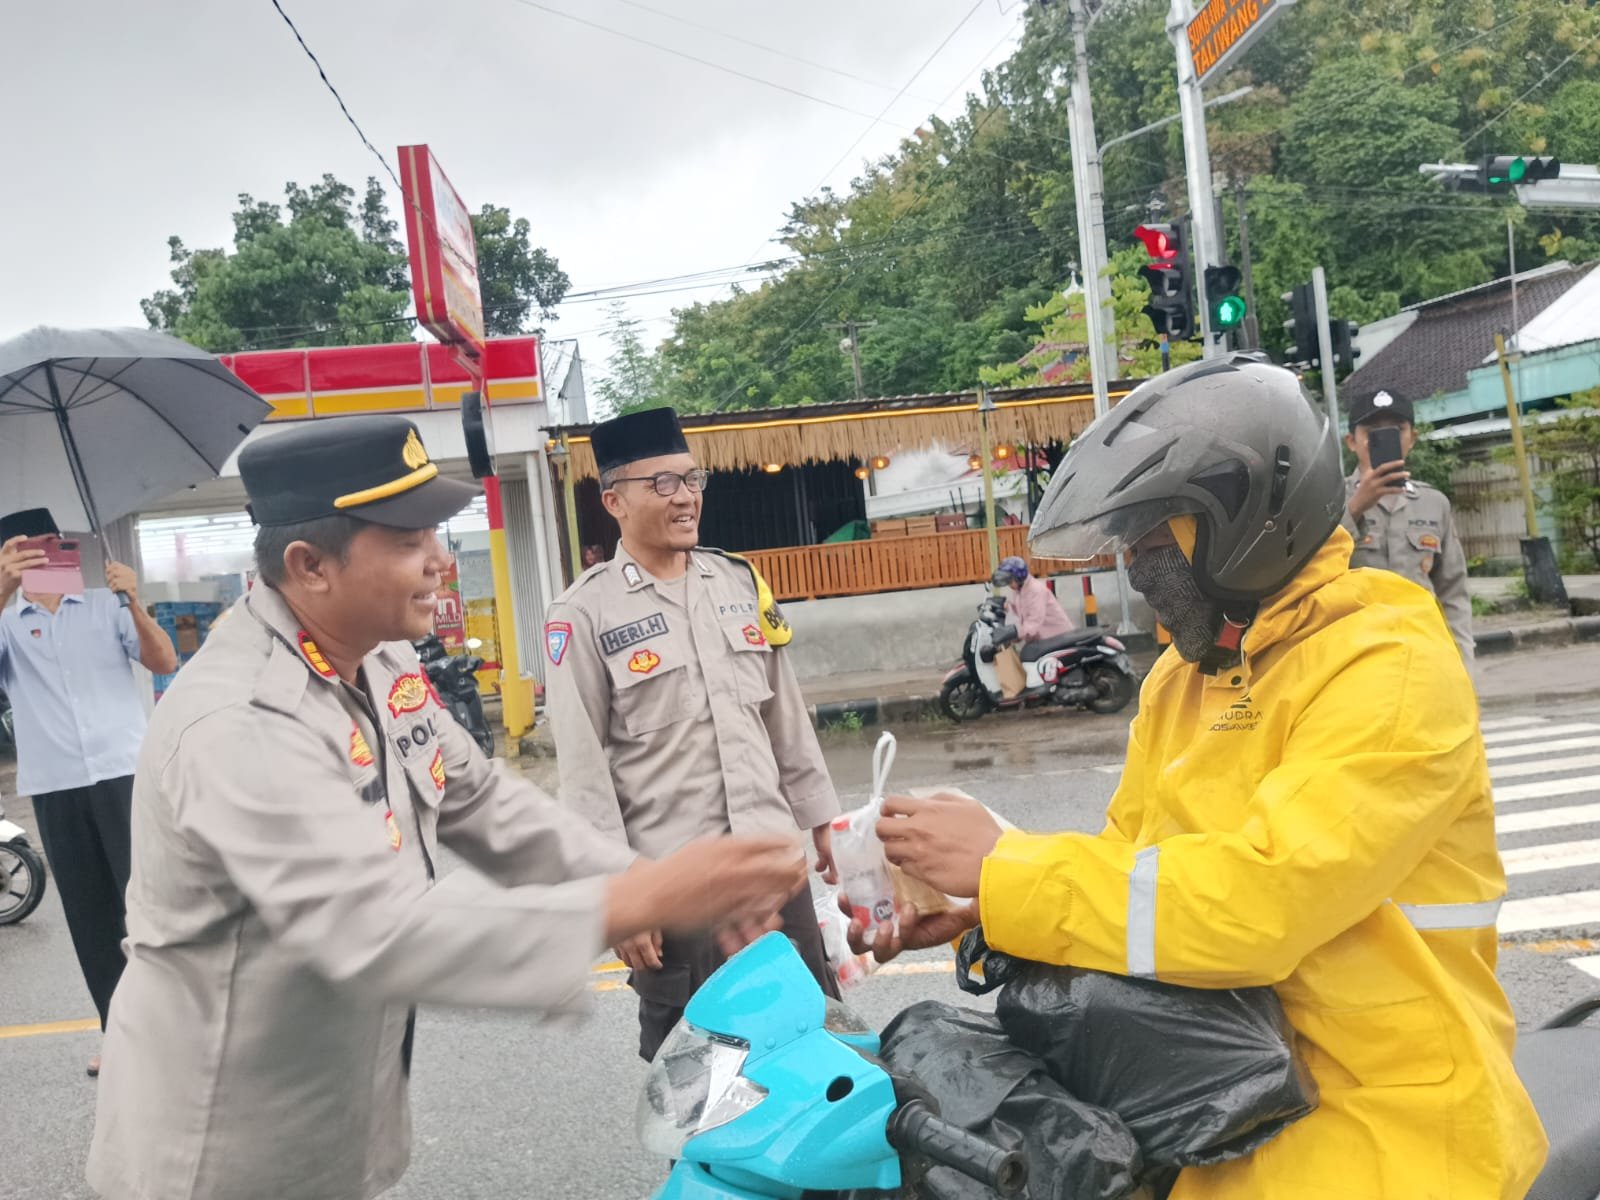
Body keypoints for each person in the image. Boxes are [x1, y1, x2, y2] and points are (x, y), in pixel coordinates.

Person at [849, 357, 1546, 1198]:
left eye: (1150, 539)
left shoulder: (1386, 665)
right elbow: (1136, 875)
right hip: (1210, 1101)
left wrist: (1006, 866)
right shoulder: (1188, 678)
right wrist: (982, 908)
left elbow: (1260, 903)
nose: (1137, 572)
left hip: (1380, 1119)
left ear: (1248, 521)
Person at [87, 415, 806, 1200]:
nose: (439, 560)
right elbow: (375, 929)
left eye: (436, 531)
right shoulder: (239, 724)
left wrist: (653, 887)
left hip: (337, 1109)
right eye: (407, 541)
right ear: (309, 565)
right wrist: (638, 897)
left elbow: (481, 797)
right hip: (222, 1148)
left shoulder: (376, 657)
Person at [545, 406, 843, 1061]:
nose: (685, 498)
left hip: (773, 874)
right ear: (614, 500)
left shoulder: (738, 584)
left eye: (691, 480)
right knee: (697, 1083)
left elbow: (784, 716)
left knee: (812, 1055)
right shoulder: (582, 615)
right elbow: (584, 773)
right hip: (677, 895)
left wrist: (822, 819)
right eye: (663, 484)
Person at [0, 507, 178, 1077]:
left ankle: (177, 1030)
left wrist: (134, 600)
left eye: (52, 545)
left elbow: (163, 660)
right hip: (55, 786)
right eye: (25, 550)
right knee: (90, 916)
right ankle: (120, 1034)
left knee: (147, 907)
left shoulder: (105, 605)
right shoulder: (6, 623)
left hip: (125, 772)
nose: (44, 555)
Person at [1343, 388, 1474, 662]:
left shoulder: (1433, 503)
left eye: (1396, 430)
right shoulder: (1329, 499)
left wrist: (1462, 663)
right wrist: (1355, 507)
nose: (1383, 438)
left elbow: (1453, 591)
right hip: (1356, 654)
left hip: (1422, 651)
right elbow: (1311, 566)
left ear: (1411, 438)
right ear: (1352, 442)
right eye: (1371, 432)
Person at [996, 555, 1075, 650]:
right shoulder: (1019, 590)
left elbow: (1033, 623)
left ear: (1019, 577)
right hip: (1044, 640)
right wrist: (1008, 607)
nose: (1008, 584)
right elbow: (1024, 610)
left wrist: (1015, 632)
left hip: (1058, 639)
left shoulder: (1035, 590)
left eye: (1010, 581)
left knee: (1027, 656)